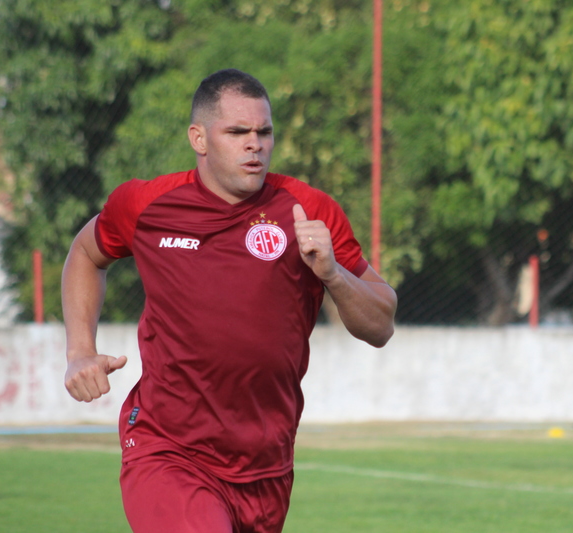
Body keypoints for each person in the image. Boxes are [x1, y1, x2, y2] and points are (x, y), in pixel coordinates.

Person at [62, 68, 397, 533]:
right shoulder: (148, 205)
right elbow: (85, 252)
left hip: (267, 468)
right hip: (169, 450)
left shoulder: (307, 210)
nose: (254, 144)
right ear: (199, 138)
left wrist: (333, 274)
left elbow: (381, 325)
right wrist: (80, 349)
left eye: (264, 132)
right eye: (237, 132)